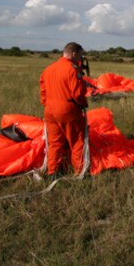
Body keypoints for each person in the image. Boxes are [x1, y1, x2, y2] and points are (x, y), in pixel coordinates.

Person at [39, 42, 88, 179]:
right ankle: (79, 173)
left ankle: (53, 172)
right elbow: (77, 94)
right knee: (77, 141)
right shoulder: (72, 70)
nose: (80, 58)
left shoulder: (48, 69)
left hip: (50, 110)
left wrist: (48, 105)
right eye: (80, 55)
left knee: (55, 142)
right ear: (73, 54)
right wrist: (83, 104)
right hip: (67, 110)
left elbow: (43, 92)